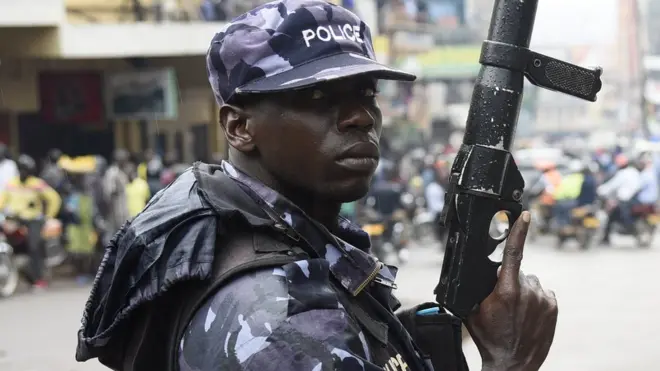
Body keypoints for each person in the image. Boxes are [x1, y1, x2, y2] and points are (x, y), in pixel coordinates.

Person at [75, 2, 557, 371]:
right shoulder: (276, 318)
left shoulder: (265, 227)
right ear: (239, 126)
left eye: (366, 93)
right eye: (318, 97)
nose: (360, 117)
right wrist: (507, 360)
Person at [0, 154, 61, 290]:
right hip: (13, 218)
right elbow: (2, 201)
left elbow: (54, 198)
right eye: (21, 169)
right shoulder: (11, 183)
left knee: (34, 246)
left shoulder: (36, 183)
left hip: (33, 220)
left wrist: (48, 216)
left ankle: (38, 278)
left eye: (25, 170)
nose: (23, 173)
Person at [597, 154, 642, 243]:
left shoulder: (623, 174)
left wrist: (599, 190)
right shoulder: (634, 172)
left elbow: (612, 186)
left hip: (625, 201)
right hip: (635, 200)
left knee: (611, 217)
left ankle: (607, 237)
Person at [103, 149, 131, 235]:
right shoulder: (112, 172)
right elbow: (109, 192)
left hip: (124, 208)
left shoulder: (123, 171)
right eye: (125, 160)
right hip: (115, 210)